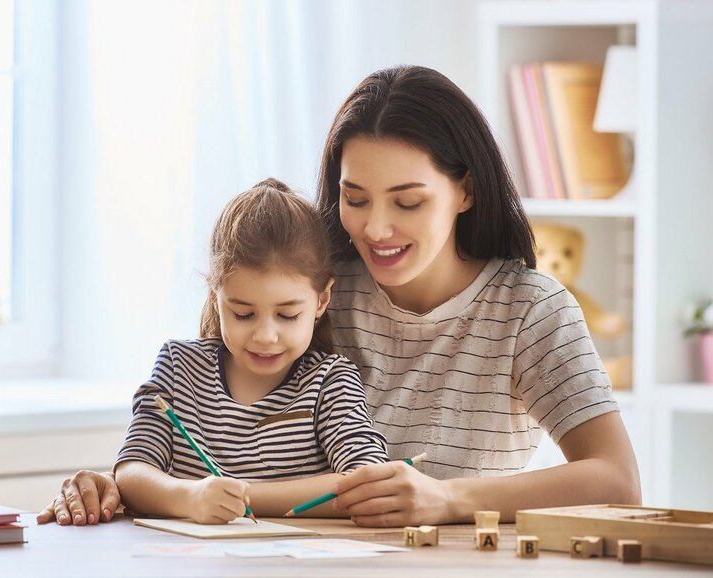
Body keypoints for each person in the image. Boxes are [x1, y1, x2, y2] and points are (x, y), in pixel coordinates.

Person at [37, 65, 640, 528]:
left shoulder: (529, 309)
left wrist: (451, 497)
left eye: (408, 202)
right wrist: (133, 484)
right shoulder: (316, 286)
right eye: (355, 199)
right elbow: (215, 424)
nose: (376, 229)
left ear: (465, 192)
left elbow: (616, 481)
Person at [71, 178, 390, 525]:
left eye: (287, 315)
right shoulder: (179, 367)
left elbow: (368, 482)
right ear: (215, 298)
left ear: (321, 300)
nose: (266, 336)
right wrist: (189, 498)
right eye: (243, 314)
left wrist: (242, 497)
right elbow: (132, 472)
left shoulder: (329, 380)